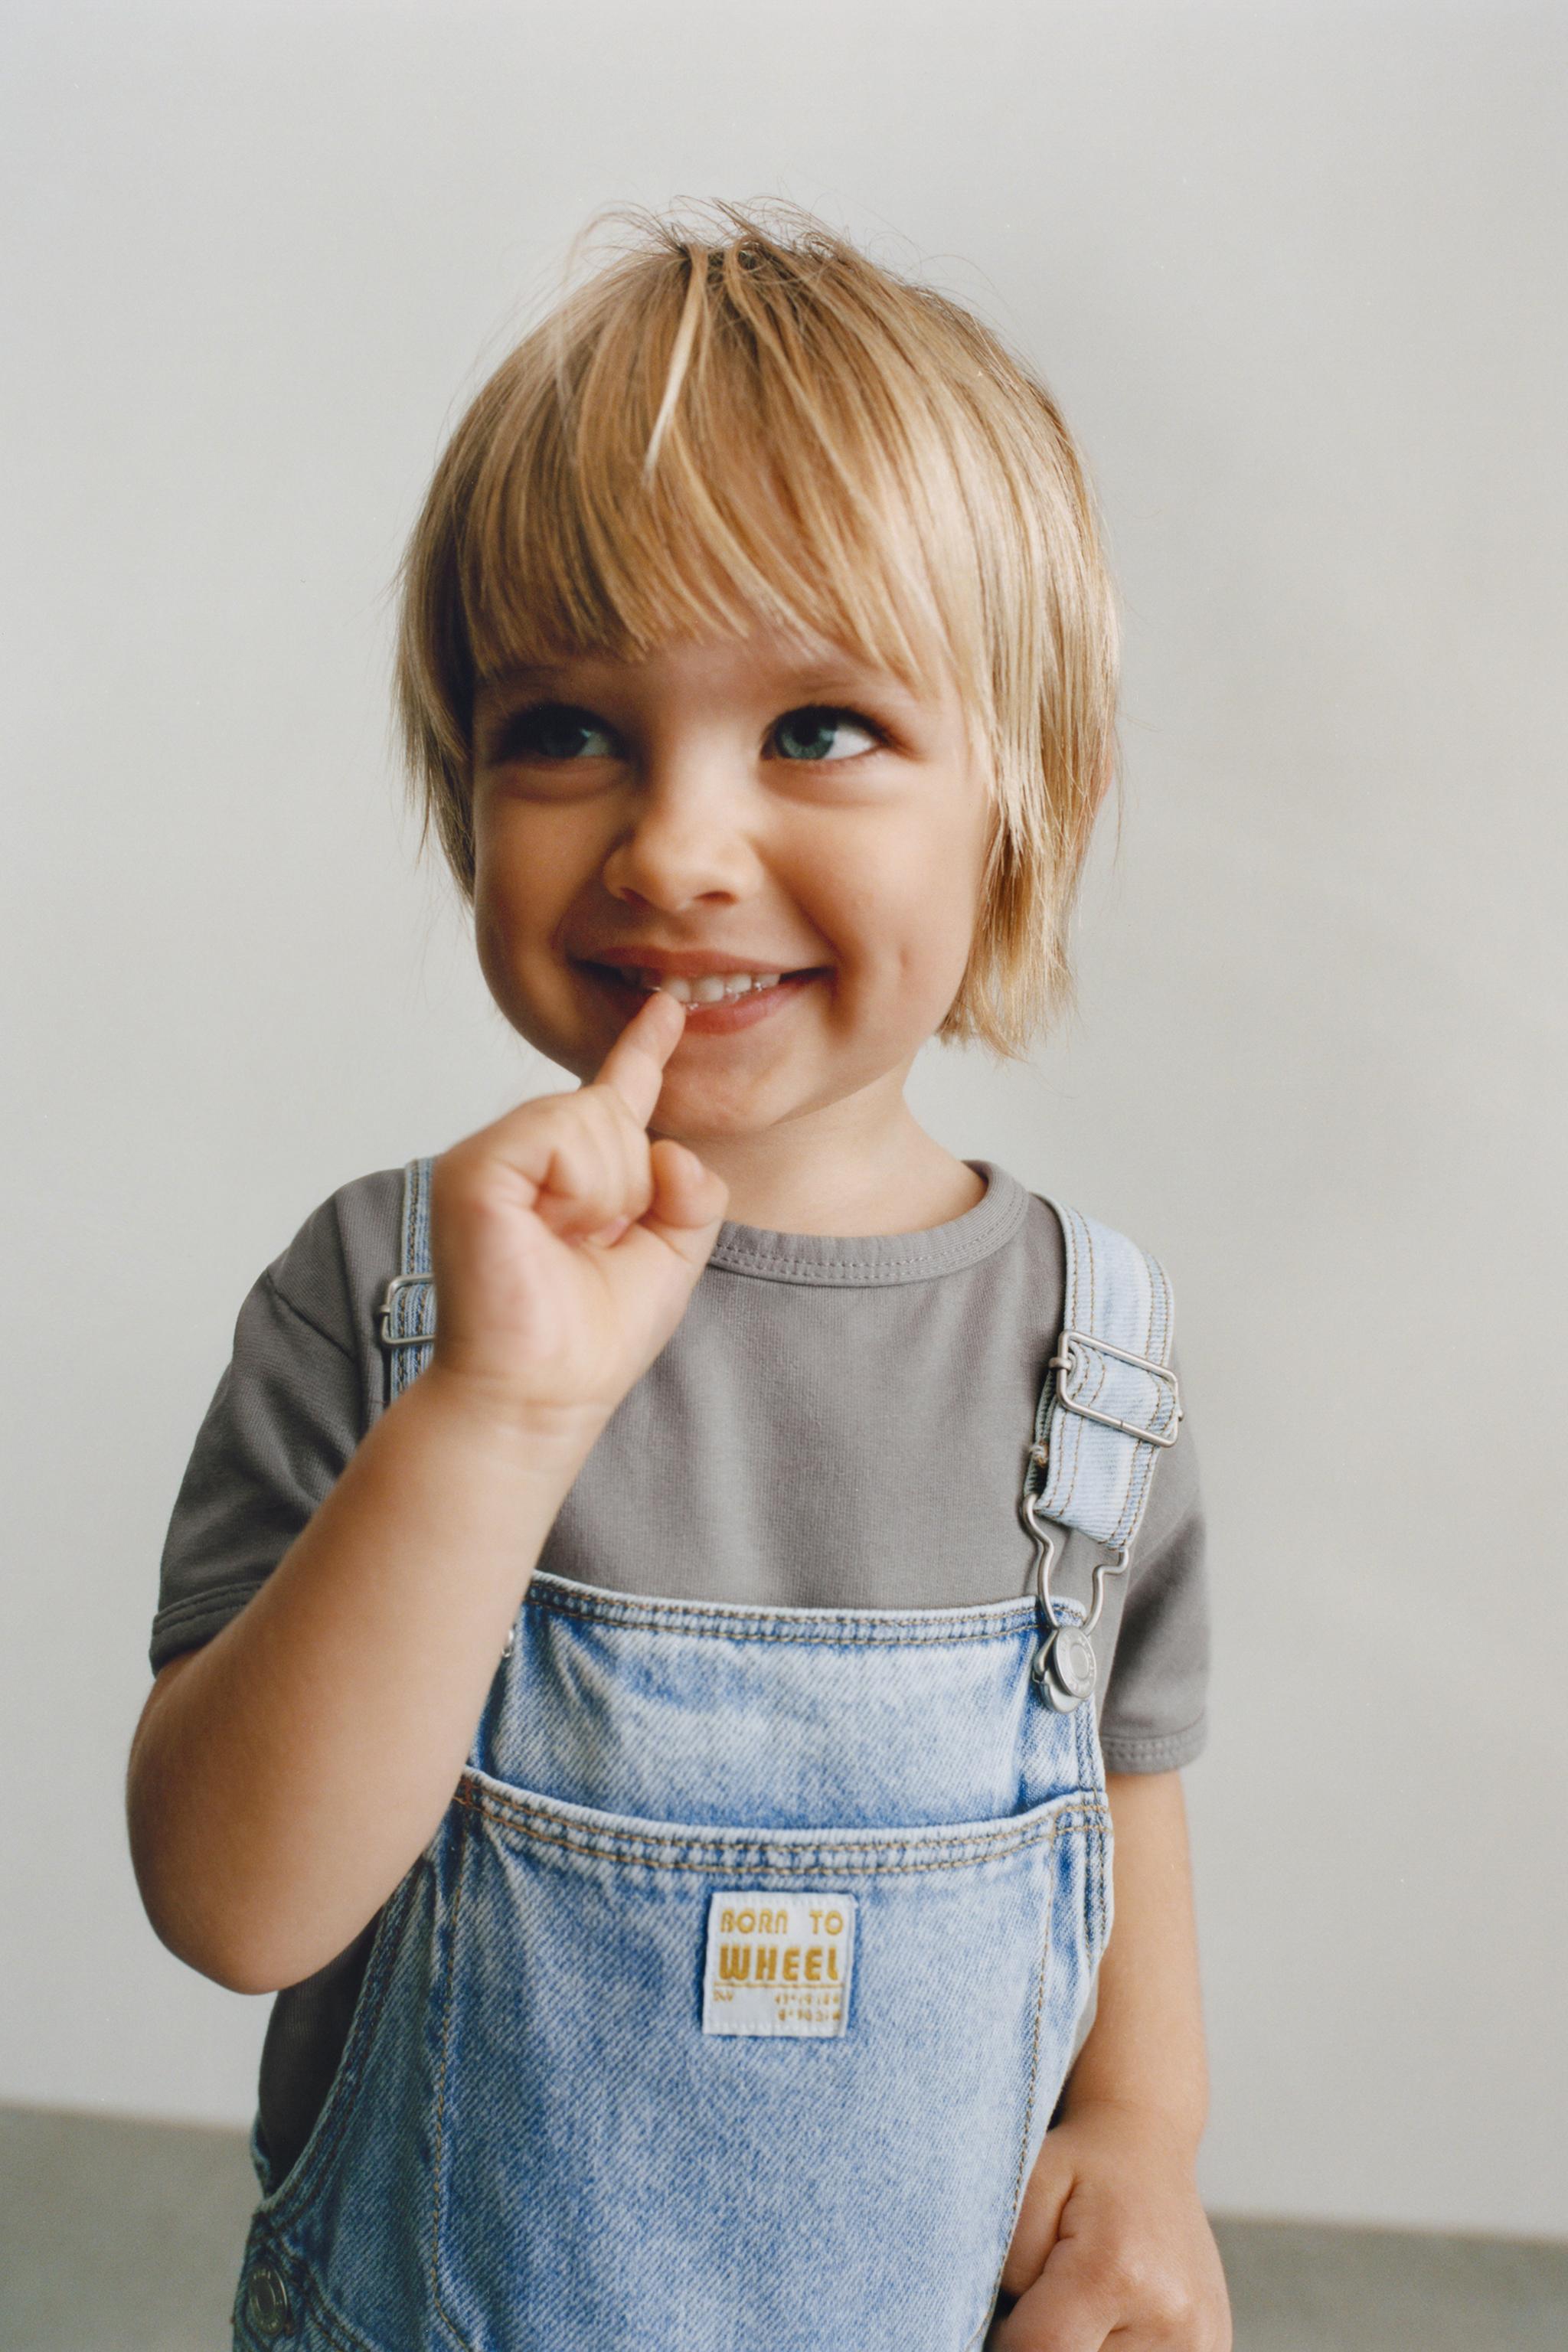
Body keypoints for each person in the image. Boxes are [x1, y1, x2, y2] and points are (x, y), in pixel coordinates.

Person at [127, 203, 1230, 2351]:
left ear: (1023, 799)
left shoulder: (1091, 1362)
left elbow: (1124, 1800)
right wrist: (497, 1420)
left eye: (816, 728)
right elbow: (235, 1905)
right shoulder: (382, 1300)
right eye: (566, 728)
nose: (673, 847)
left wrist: (1149, 2147)